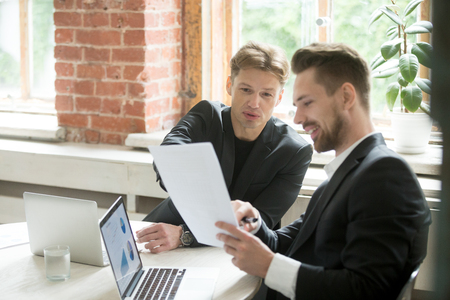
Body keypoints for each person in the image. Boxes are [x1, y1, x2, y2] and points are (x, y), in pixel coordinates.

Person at [216, 43, 432, 300]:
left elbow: (368, 290)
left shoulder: (384, 174)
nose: (297, 118)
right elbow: (284, 245)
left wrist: (268, 266)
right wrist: (253, 222)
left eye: (307, 103)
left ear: (346, 97)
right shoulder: (345, 176)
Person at [136, 41, 313, 253]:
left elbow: (257, 222)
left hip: (238, 252)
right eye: (246, 89)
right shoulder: (208, 115)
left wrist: (185, 235)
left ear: (279, 98)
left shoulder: (294, 152)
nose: (254, 103)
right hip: (164, 231)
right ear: (230, 85)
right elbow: (169, 156)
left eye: (266, 94)